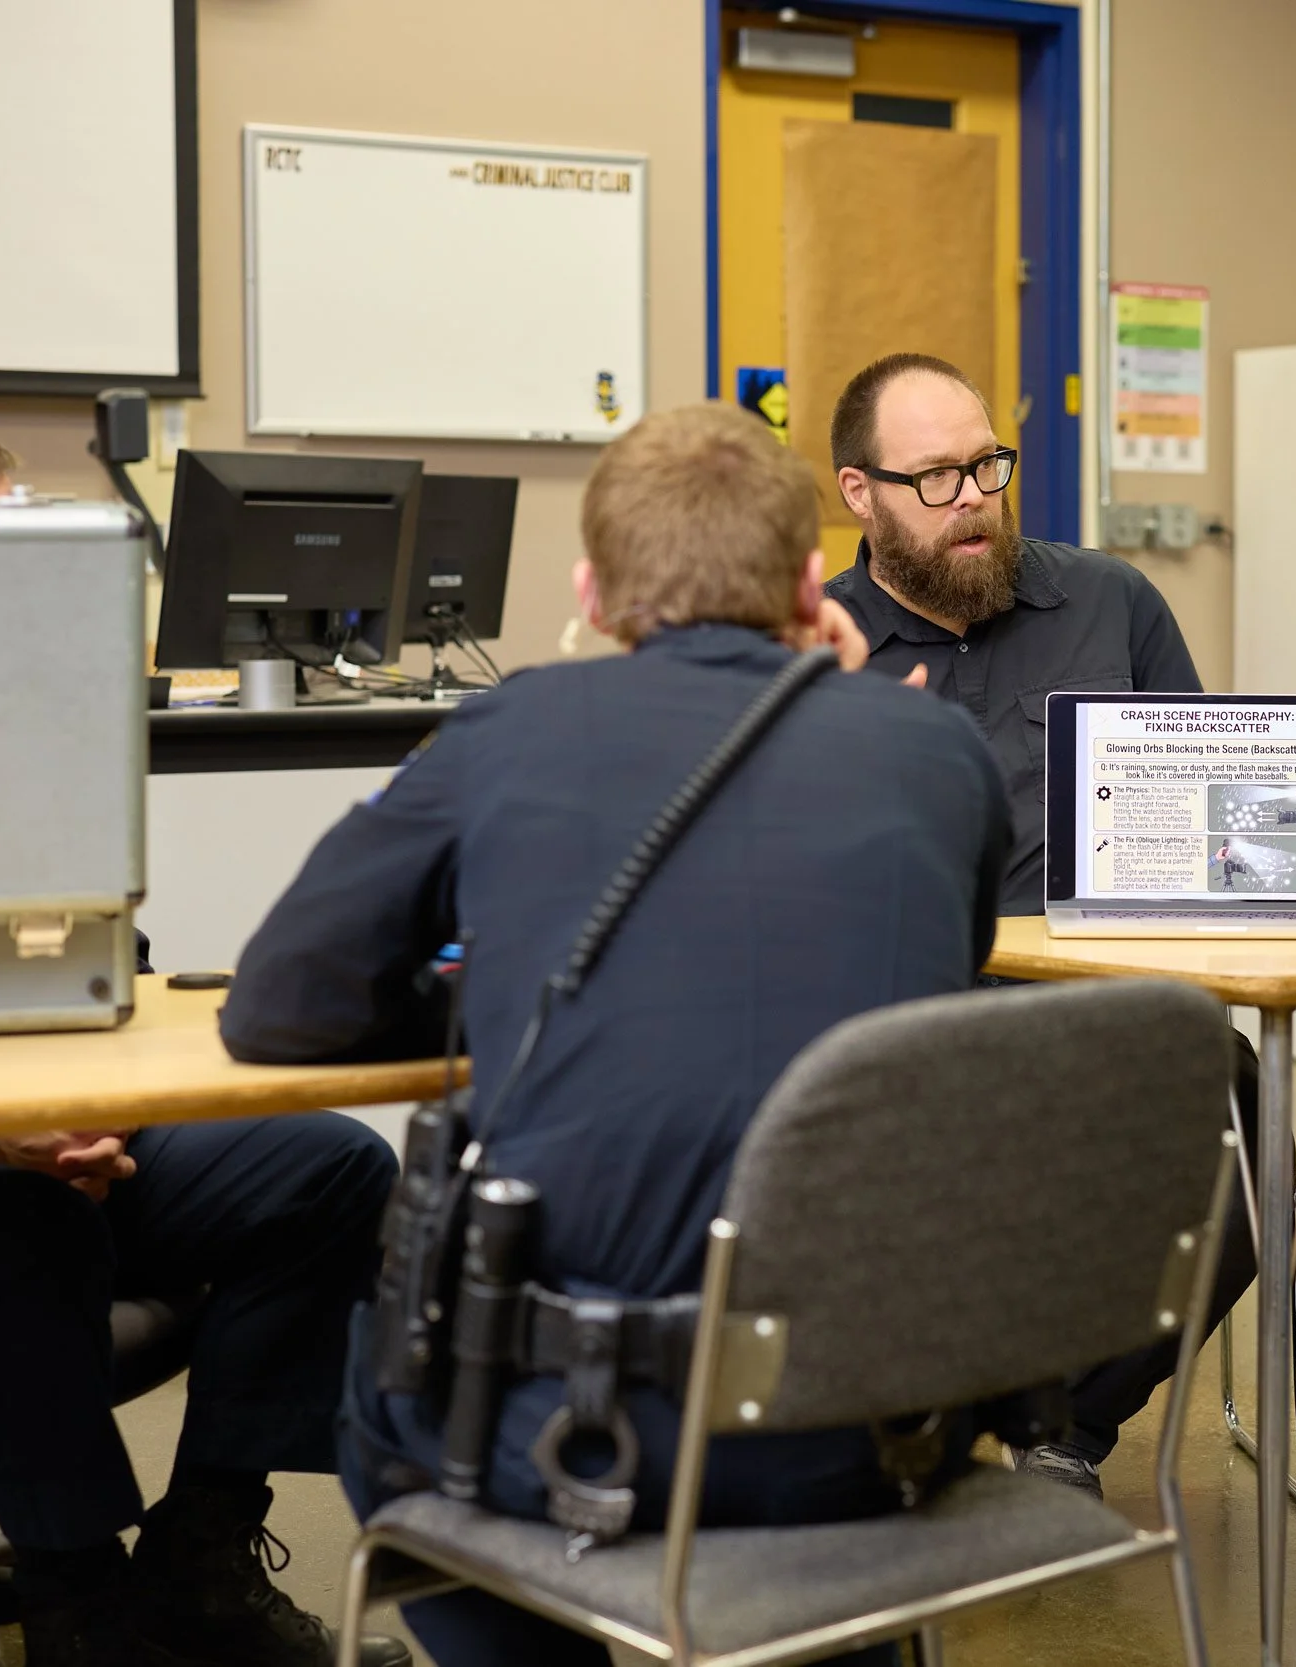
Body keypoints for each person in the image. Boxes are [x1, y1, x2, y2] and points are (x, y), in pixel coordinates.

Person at [223, 402, 1010, 1667]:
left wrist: (499, 996)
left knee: (378, 1388)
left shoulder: (507, 729)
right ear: (814, 585)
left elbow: (277, 1005)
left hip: (574, 1429)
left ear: (592, 592)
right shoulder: (935, 744)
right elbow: (930, 977)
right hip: (873, 1424)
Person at [0, 414, 409, 1667]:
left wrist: (91, 1105)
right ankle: (79, 1607)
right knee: (17, 1221)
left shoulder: (3, 718)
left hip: (26, 1142)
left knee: (329, 1167)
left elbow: (90, 953)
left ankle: (202, 1556)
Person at [821, 353, 1253, 1497]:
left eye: (988, 465)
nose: (973, 496)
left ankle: (1060, 1416)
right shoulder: (820, 647)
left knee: (1243, 1109)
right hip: (915, 1016)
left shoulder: (1111, 602)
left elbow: (1208, 817)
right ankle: (925, 1408)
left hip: (1102, 1002)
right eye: (936, 477)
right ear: (859, 492)